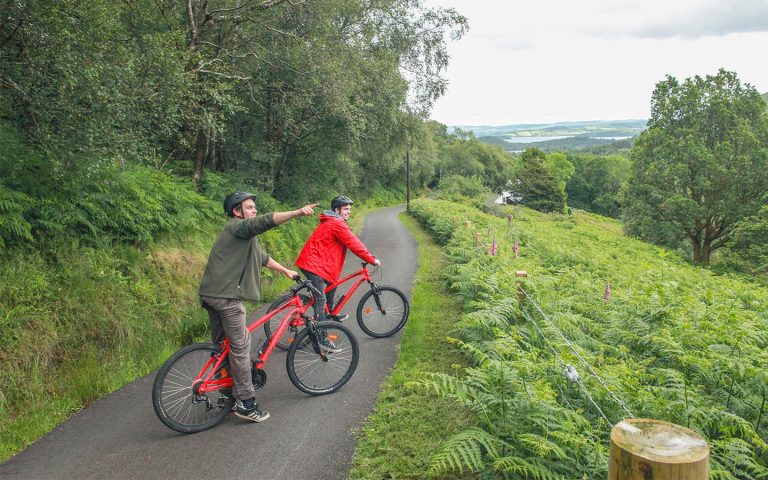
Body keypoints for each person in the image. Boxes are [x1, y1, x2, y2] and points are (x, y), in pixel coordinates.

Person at [199, 191, 318, 423]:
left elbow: (261, 257)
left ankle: (226, 393)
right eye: (250, 207)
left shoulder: (242, 237)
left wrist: (286, 271)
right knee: (241, 346)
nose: (254, 211)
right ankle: (246, 402)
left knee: (223, 346)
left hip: (212, 295)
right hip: (227, 298)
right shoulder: (237, 227)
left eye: (255, 207)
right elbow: (263, 222)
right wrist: (296, 212)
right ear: (237, 211)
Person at [295, 195, 380, 325]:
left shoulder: (334, 222)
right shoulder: (336, 223)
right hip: (312, 264)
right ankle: (321, 336)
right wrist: (372, 259)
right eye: (346, 209)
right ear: (337, 210)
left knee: (332, 283)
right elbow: (354, 243)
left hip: (317, 262)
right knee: (320, 298)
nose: (349, 212)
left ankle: (329, 313)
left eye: (350, 209)